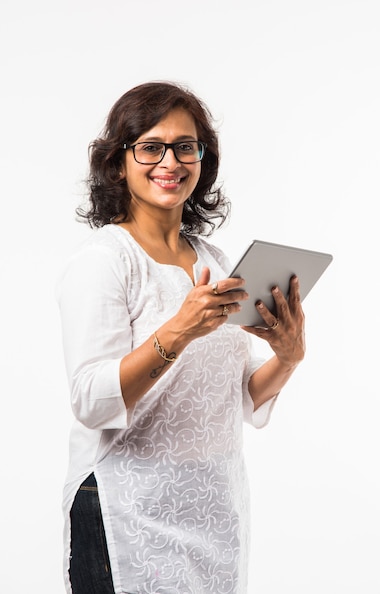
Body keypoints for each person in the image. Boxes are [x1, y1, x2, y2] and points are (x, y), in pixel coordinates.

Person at [57, 81, 305, 594]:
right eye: (150, 146)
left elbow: (230, 396)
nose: (169, 161)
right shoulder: (104, 260)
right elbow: (90, 400)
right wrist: (179, 331)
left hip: (212, 512)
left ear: (201, 159)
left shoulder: (213, 260)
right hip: (127, 509)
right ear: (118, 162)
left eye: (185, 146)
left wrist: (287, 356)